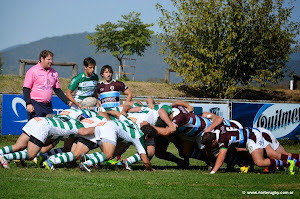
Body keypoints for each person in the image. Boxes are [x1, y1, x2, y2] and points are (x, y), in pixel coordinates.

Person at [77, 110, 156, 172]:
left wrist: (105, 112)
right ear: (146, 136)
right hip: (109, 128)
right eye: (149, 139)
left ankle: (88, 157)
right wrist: (150, 169)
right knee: (109, 155)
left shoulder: (132, 123)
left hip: (101, 125)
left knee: (106, 153)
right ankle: (86, 164)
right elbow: (145, 161)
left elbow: (116, 113)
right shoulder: (139, 137)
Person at [0, 114, 84, 168]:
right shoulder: (78, 127)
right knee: (31, 154)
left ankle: (3, 154)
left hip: (36, 120)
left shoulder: (67, 117)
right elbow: (67, 147)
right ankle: (6, 157)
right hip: (43, 126)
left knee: (18, 146)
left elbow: (49, 115)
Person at [201, 127, 296, 175]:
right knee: (274, 154)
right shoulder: (216, 132)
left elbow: (221, 157)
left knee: (259, 162)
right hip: (252, 133)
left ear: (214, 141)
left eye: (209, 145)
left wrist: (213, 172)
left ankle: (287, 163)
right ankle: (290, 162)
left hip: (252, 137)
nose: (210, 147)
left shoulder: (222, 139)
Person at [23, 50, 72, 120]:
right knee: (35, 128)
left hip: (48, 106)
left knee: (49, 128)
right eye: (48, 59)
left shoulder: (54, 73)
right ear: (42, 59)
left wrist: (68, 101)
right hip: (35, 104)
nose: (51, 61)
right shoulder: (32, 71)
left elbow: (57, 90)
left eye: (51, 59)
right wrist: (28, 103)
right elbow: (26, 88)